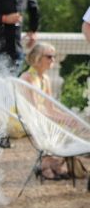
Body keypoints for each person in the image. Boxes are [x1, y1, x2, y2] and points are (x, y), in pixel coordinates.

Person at [19, 42, 68, 179]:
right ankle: (46, 164)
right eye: (49, 56)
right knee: (51, 124)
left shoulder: (45, 79)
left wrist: (68, 118)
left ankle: (53, 162)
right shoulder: (27, 78)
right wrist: (58, 119)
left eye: (54, 56)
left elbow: (50, 108)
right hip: (21, 119)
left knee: (66, 123)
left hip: (37, 116)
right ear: (38, 58)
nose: (53, 60)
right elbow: (32, 110)